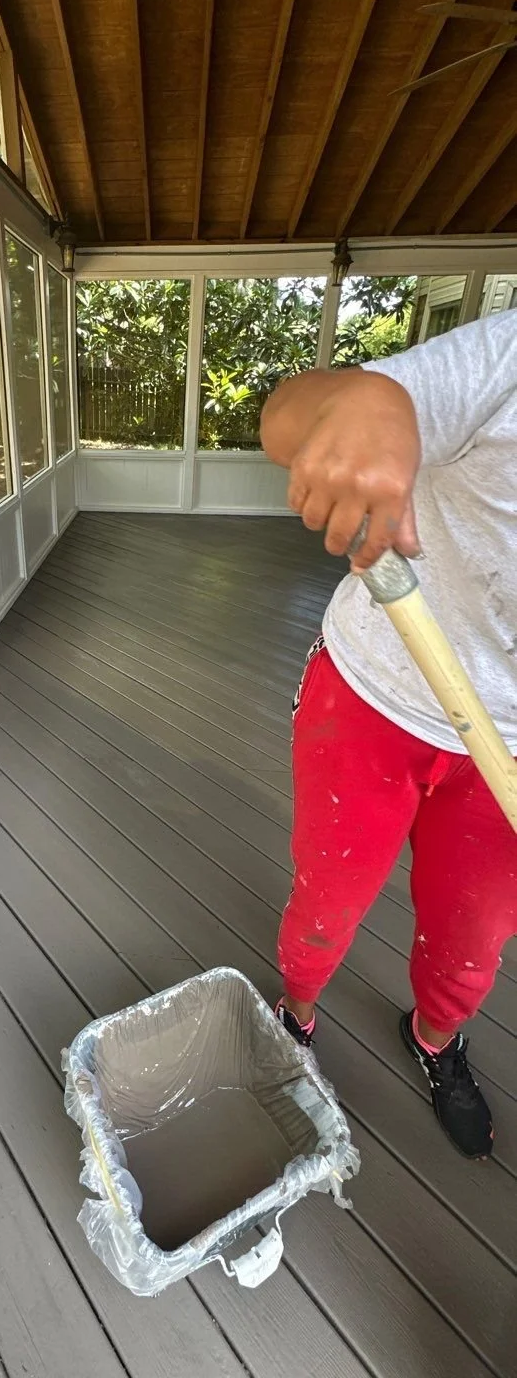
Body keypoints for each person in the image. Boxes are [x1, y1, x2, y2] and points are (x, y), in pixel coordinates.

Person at [260, 310, 517, 1160]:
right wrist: (366, 402)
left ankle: (434, 1039)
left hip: (508, 758)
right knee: (324, 907)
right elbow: (287, 416)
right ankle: (295, 1017)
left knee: (472, 946)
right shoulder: (505, 360)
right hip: (373, 694)